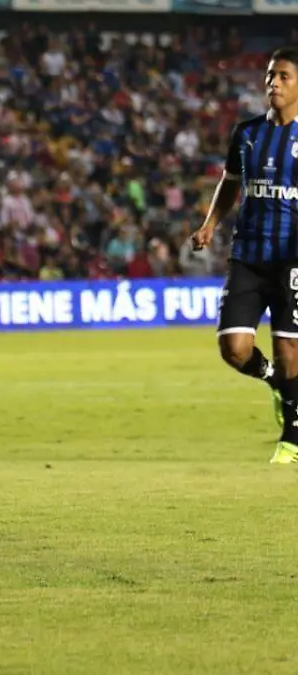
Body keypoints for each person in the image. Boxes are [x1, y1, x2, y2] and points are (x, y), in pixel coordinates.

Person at [192, 47, 298, 463]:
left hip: (293, 260)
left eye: (284, 76)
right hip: (249, 255)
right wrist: (210, 223)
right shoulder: (248, 133)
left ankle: (292, 436)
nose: (273, 82)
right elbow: (230, 182)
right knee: (234, 348)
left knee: (290, 350)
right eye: (271, 75)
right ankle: (274, 381)